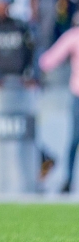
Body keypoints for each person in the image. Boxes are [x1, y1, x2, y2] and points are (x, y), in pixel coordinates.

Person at [38, 12, 79, 193]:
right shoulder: (73, 37)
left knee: (75, 139)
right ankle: (68, 179)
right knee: (74, 138)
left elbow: (46, 61)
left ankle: (68, 180)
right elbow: (48, 61)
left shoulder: (73, 36)